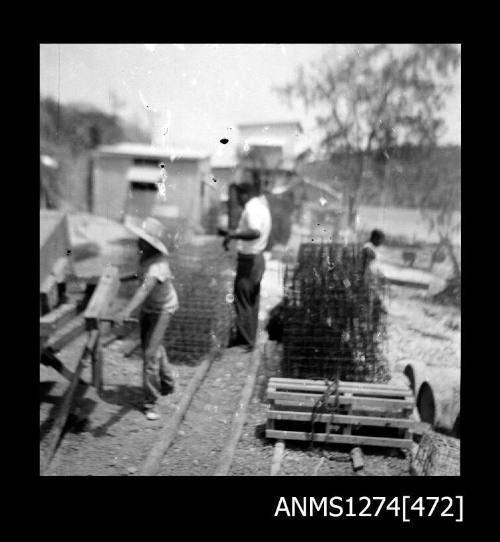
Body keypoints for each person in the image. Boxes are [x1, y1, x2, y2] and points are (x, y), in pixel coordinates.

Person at [114, 217, 179, 420]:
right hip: (150, 308)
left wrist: (126, 311)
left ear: (150, 244)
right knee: (152, 346)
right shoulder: (146, 258)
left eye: (142, 240)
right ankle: (168, 383)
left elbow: (144, 289)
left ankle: (151, 402)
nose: (138, 242)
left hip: (162, 309)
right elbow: (139, 276)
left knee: (150, 354)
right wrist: (121, 278)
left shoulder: (158, 265)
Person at [222, 182, 272, 352]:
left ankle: (246, 340)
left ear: (244, 195)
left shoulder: (251, 209)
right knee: (251, 299)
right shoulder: (262, 207)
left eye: (237, 197)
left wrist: (233, 234)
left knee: (242, 297)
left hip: (249, 261)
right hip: (257, 259)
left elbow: (255, 232)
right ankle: (249, 338)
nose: (237, 202)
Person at [361, 229, 386, 334]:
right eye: (381, 240)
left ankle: (373, 330)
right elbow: (368, 258)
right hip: (368, 282)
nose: (381, 242)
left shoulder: (373, 248)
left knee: (377, 306)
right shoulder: (368, 247)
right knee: (370, 306)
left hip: (374, 282)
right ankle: (368, 330)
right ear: (376, 238)